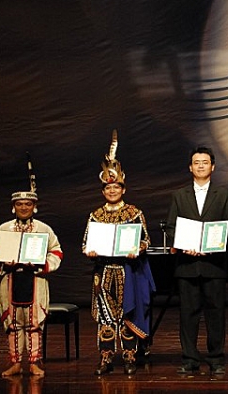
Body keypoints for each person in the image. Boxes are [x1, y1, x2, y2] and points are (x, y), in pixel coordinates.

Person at [82, 130, 155, 376]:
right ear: (103, 191)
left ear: (123, 189)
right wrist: (89, 252)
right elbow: (85, 244)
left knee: (128, 313)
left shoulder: (134, 212)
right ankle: (105, 356)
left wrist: (137, 249)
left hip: (128, 271)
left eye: (116, 187)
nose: (112, 191)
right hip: (103, 271)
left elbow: (146, 239)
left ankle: (129, 355)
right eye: (108, 187)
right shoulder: (96, 215)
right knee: (105, 317)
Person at [165, 146, 228, 375]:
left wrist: (211, 248)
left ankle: (216, 358)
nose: (201, 166)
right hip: (187, 265)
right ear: (190, 167)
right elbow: (171, 226)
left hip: (213, 264)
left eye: (205, 162)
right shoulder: (179, 195)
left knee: (215, 313)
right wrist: (186, 246)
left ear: (213, 167)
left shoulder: (224, 194)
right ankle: (189, 358)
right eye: (196, 162)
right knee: (188, 314)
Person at [0, 184, 63, 378]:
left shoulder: (43, 229)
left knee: (34, 323)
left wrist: (41, 264)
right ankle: (15, 363)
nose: (23, 207)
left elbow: (56, 252)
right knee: (12, 324)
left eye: (27, 204)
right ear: (13, 206)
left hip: (35, 279)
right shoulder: (4, 229)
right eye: (19, 204)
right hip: (11, 279)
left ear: (34, 206)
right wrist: (3, 261)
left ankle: (34, 363)